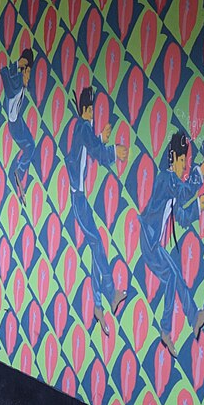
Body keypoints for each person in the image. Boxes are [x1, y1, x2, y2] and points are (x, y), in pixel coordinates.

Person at [63, 86, 127, 331]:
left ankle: (98, 305)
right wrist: (113, 151)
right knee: (98, 243)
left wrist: (101, 138)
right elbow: (96, 152)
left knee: (94, 249)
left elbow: (88, 146)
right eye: (90, 110)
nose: (92, 114)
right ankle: (110, 292)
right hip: (78, 200)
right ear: (85, 110)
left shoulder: (83, 130)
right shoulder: (82, 126)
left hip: (80, 199)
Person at [140, 131, 204, 357]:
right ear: (172, 158)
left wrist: (199, 206)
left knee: (176, 274)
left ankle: (194, 317)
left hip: (153, 244)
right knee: (171, 276)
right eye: (182, 161)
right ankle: (166, 329)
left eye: (186, 162)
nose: (184, 167)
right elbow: (184, 190)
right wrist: (200, 173)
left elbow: (180, 215)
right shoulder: (166, 179)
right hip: (149, 242)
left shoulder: (171, 185)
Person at [1, 48, 36, 198]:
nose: (28, 77)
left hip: (17, 122)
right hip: (15, 124)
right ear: (23, 70)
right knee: (30, 145)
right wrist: (17, 64)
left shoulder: (20, 82)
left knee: (30, 145)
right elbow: (5, 77)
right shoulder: (16, 83)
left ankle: (18, 169)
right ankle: (19, 170)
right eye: (27, 72)